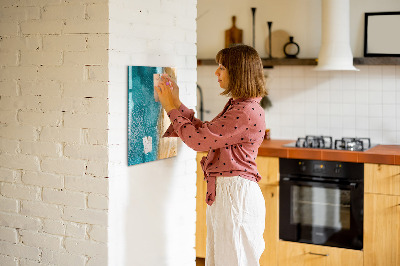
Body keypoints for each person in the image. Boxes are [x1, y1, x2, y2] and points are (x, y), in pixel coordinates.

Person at [155, 44, 267, 266]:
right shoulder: (240, 106)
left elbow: (198, 141)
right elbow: (206, 133)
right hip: (230, 195)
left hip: (235, 197)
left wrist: (170, 107)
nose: (217, 73)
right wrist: (176, 103)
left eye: (222, 67)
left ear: (238, 72)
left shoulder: (244, 111)